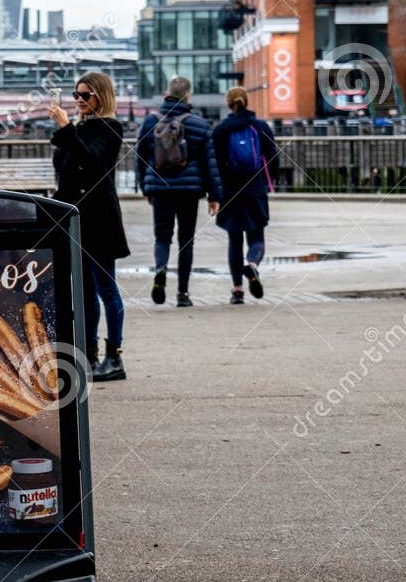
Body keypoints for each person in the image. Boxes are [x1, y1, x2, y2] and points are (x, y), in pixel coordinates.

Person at [48, 73, 130, 381]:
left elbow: (94, 160)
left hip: (100, 219)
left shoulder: (111, 128)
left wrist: (67, 128)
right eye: (77, 95)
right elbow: (67, 171)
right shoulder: (79, 128)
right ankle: (88, 355)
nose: (80, 100)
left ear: (101, 96)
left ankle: (115, 356)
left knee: (106, 288)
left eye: (86, 95)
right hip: (75, 219)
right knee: (83, 292)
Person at [135, 75, 221, 308]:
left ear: (167, 93)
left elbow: (140, 156)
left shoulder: (151, 121)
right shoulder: (199, 124)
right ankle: (182, 294)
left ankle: (161, 270)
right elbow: (209, 163)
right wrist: (214, 196)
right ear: (187, 95)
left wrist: (145, 186)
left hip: (160, 189)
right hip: (189, 191)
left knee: (162, 238)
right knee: (186, 241)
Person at [212, 86, 280, 304]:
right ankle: (251, 265)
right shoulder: (260, 127)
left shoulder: (220, 130)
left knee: (234, 239)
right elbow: (273, 158)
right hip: (255, 189)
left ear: (228, 104)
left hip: (230, 192)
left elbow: (214, 164)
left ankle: (237, 290)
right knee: (256, 237)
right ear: (247, 102)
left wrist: (214, 191)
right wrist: (267, 181)